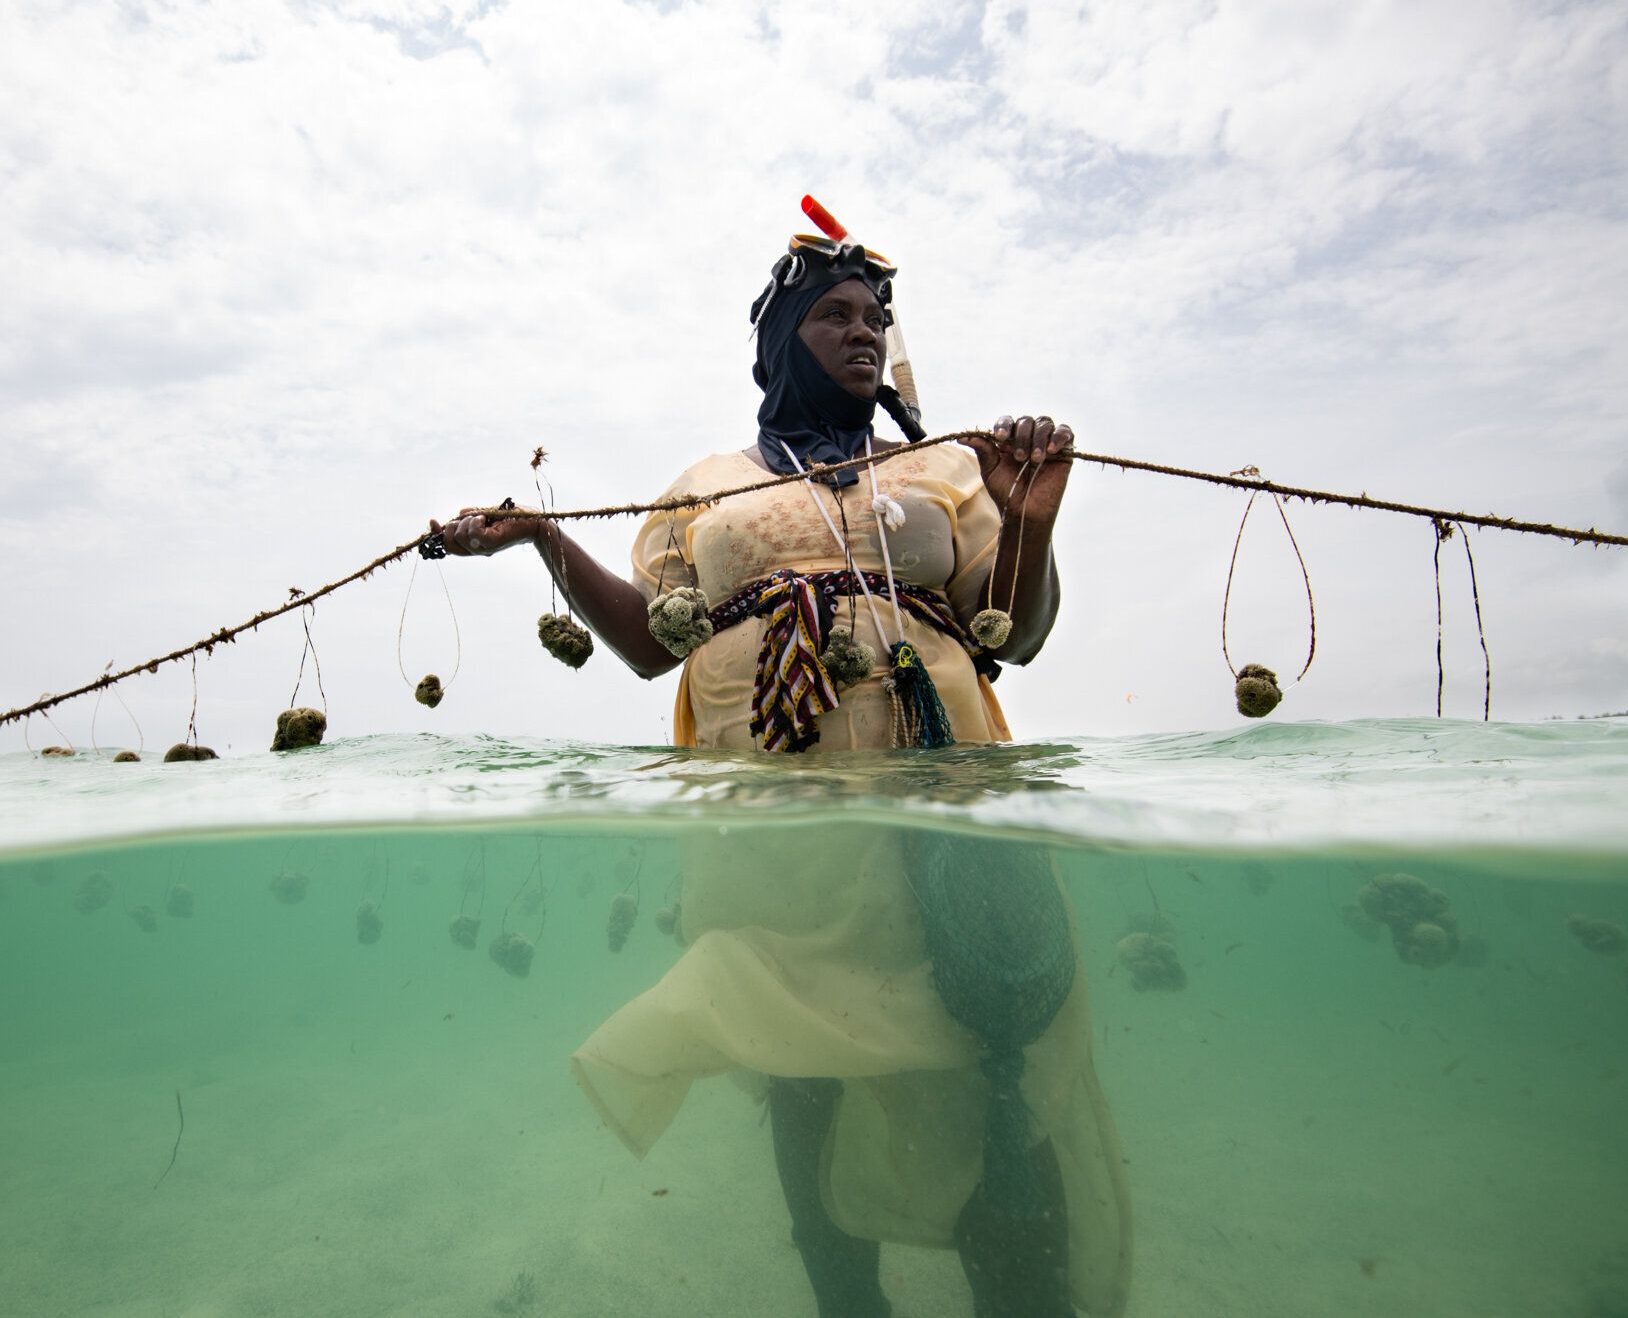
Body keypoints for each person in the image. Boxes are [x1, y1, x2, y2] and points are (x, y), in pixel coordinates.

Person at [437, 233, 1130, 1317]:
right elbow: (647, 644)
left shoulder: (943, 466)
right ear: (776, 345)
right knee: (796, 1076)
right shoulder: (702, 489)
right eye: (833, 317)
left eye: (872, 320)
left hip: (937, 800)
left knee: (979, 1044)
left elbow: (1017, 633)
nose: (860, 335)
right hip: (772, 822)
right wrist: (541, 538)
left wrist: (1028, 515)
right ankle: (847, 1302)